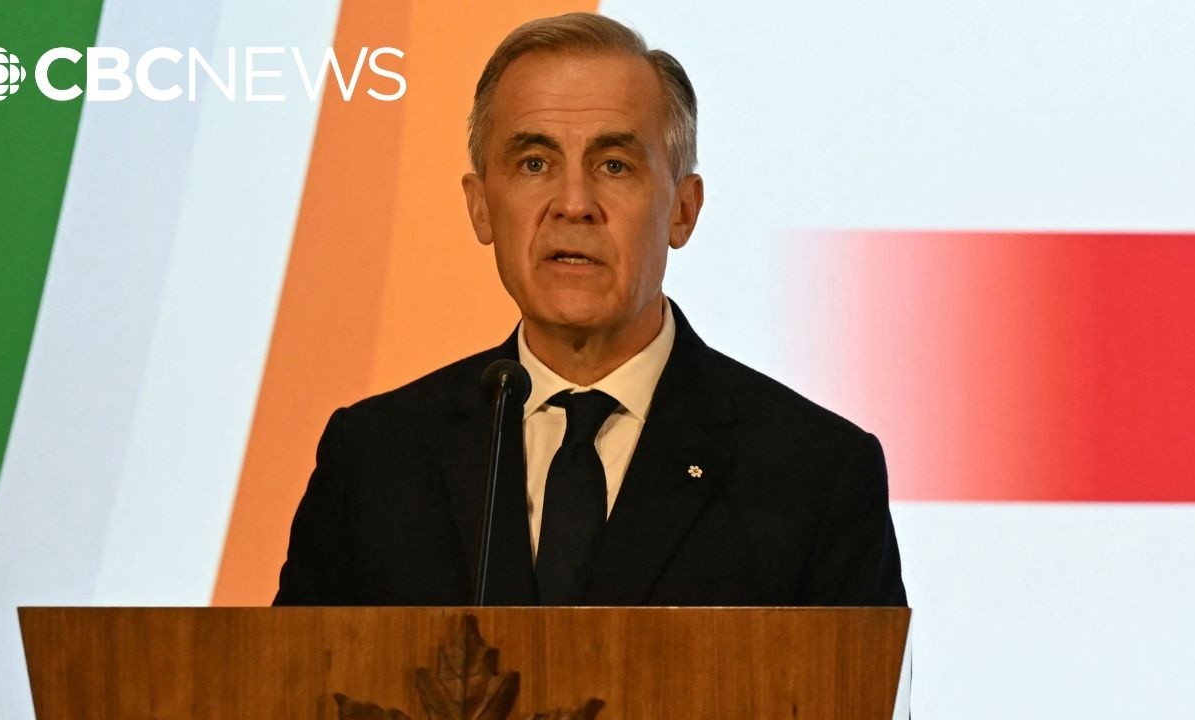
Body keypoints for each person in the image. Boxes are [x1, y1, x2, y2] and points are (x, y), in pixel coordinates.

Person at [274, 13, 906, 607]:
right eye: (534, 164)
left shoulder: (816, 472)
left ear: (683, 209)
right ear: (481, 207)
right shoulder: (374, 460)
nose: (573, 203)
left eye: (614, 165)